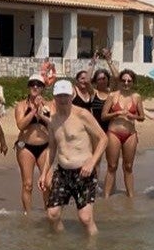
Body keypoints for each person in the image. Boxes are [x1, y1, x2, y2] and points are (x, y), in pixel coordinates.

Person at [41, 80, 108, 236]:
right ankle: (62, 247)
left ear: (72, 95)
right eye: (59, 96)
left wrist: (92, 162)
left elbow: (103, 138)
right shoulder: (53, 119)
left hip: (83, 172)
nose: (63, 100)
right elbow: (52, 147)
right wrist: (45, 173)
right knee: (52, 214)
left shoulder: (83, 115)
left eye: (66, 95)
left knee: (85, 218)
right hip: (62, 172)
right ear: (54, 97)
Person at [101, 69, 145, 198]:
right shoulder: (112, 96)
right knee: (112, 166)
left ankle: (130, 197)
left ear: (132, 82)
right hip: (114, 132)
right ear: (119, 81)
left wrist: (133, 116)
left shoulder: (136, 97)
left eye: (129, 81)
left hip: (130, 134)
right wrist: (116, 113)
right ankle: (106, 197)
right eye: (123, 80)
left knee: (129, 166)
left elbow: (142, 117)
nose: (126, 83)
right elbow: (103, 116)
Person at [14, 74, 51, 213]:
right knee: (28, 184)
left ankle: (49, 213)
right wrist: (34, 110)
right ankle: (28, 214)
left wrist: (42, 114)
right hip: (26, 146)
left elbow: (53, 124)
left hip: (45, 146)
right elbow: (20, 125)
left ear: (43, 88)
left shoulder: (49, 105)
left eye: (39, 84)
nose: (35, 87)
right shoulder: (21, 105)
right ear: (29, 87)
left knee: (47, 183)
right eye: (32, 84)